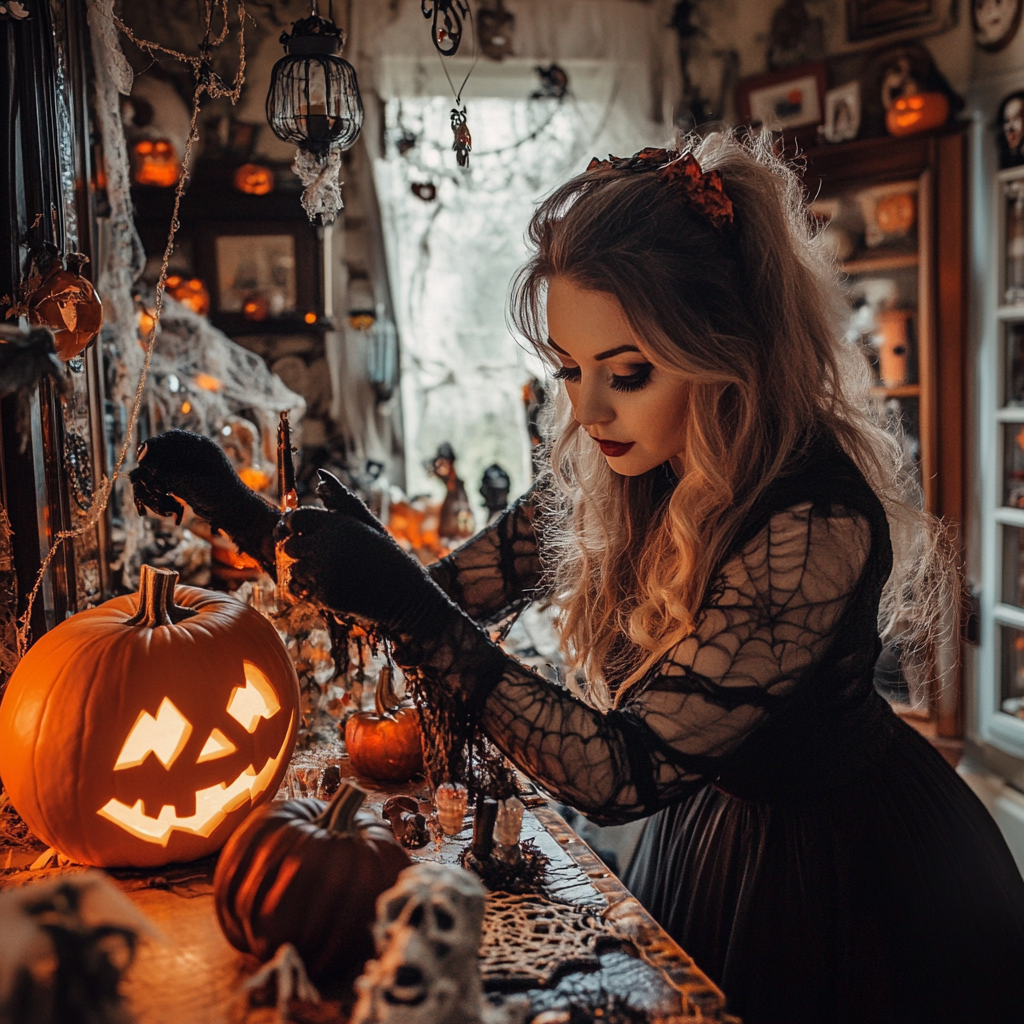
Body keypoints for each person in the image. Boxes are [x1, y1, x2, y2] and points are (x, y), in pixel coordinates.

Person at [131, 132, 1024, 1024]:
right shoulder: (631, 467)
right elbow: (439, 596)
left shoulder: (812, 522)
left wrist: (407, 600)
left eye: (627, 374)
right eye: (569, 370)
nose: (589, 411)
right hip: (712, 828)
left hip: (849, 875)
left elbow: (616, 772)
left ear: (728, 350)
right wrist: (245, 517)